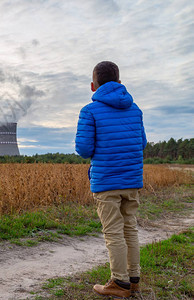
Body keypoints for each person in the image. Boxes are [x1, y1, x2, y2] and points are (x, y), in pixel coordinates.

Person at [75, 61, 147, 298]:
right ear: (119, 82)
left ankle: (119, 282)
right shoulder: (135, 109)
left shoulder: (90, 111)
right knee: (130, 228)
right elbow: (142, 143)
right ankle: (133, 280)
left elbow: (84, 149)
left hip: (107, 181)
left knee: (113, 232)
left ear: (93, 85)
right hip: (132, 180)